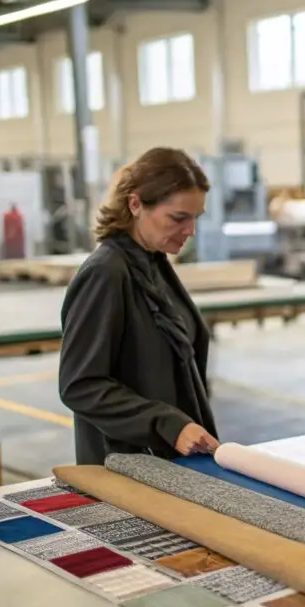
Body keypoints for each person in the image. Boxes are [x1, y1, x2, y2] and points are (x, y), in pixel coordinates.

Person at [59, 147, 220, 466]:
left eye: (195, 218)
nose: (190, 231)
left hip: (173, 461)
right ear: (135, 204)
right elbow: (80, 385)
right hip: (128, 469)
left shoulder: (155, 265)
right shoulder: (106, 273)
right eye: (179, 218)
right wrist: (165, 424)